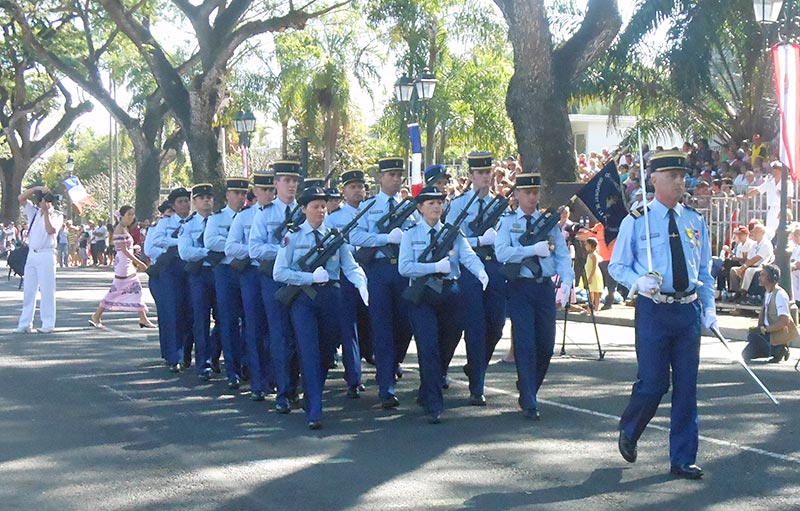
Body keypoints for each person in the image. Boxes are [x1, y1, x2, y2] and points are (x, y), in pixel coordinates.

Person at [609, 150, 716, 480]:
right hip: (654, 311)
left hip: (686, 311)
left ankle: (683, 458)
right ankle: (630, 428)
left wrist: (709, 308)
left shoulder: (694, 220)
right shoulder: (637, 220)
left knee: (687, 388)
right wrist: (637, 282)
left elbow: (704, 271)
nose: (680, 182)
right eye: (672, 176)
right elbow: (617, 265)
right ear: (654, 180)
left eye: (682, 176)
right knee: (654, 382)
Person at [274, 186, 369, 429]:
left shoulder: (335, 236)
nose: (321, 210)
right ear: (303, 209)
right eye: (315, 206)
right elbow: (279, 272)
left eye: (324, 206)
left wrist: (361, 284)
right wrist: (308, 278)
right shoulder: (292, 236)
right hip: (303, 299)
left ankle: (311, 394)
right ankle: (315, 409)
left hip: (331, 298)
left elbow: (350, 265)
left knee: (326, 353)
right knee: (308, 350)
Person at [399, 185, 488, 423]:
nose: (436, 206)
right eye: (430, 203)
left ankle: (428, 387)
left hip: (450, 294)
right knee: (428, 347)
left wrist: (481, 272)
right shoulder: (410, 235)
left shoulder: (452, 233)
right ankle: (434, 404)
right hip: (423, 296)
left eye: (439, 202)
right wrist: (433, 268)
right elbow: (404, 267)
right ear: (420, 208)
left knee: (448, 343)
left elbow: (468, 256)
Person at [496, 173, 573, 420]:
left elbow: (561, 253)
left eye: (535, 192)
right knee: (526, 344)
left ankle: (529, 386)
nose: (531, 197)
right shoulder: (508, 222)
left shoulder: (547, 223)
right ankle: (529, 397)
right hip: (521, 286)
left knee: (546, 346)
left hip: (543, 288)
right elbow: (502, 253)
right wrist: (530, 250)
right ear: (517, 194)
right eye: (526, 192)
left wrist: (568, 281)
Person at [350, 157, 418, 409]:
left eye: (399, 174)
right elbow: (355, 235)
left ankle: (391, 364)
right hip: (378, 271)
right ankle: (386, 387)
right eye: (390, 175)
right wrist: (383, 237)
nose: (396, 179)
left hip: (402, 270)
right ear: (380, 178)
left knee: (405, 324)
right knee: (382, 327)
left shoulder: (409, 208)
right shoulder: (369, 207)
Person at [444, 151, 509, 404]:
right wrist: (479, 240)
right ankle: (477, 385)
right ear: (471, 176)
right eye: (480, 172)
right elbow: (449, 241)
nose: (485, 176)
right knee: (475, 326)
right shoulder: (459, 205)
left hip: (493, 267)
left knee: (496, 325)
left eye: (488, 172)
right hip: (469, 270)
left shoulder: (500, 205)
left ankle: (475, 365)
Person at [249, 160, 304, 413]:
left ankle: (294, 387)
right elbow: (255, 248)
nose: (291, 185)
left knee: (300, 336)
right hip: (273, 280)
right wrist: (283, 250)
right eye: (286, 180)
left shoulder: (305, 211)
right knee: (280, 336)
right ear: (276, 183)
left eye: (294, 180)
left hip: (301, 280)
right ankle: (283, 392)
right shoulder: (265, 212)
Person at [226, 170, 275, 401]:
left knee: (276, 329)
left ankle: (275, 377)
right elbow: (230, 247)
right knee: (254, 327)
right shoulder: (245, 216)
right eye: (263, 190)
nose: (268, 194)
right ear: (254, 192)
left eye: (271, 190)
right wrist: (254, 250)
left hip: (276, 273)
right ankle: (257, 381)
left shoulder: (282, 213)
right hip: (252, 273)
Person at [324, 171, 371, 397]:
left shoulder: (373, 212)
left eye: (360, 186)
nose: (357, 190)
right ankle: (354, 377)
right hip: (346, 274)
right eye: (351, 187)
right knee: (348, 326)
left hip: (374, 272)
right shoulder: (333, 218)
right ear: (343, 191)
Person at [144, 187, 194, 373]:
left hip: (190, 268)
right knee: (172, 313)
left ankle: (186, 352)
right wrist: (180, 242)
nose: (185, 205)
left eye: (187, 201)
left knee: (190, 313)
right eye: (180, 202)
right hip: (171, 270)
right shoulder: (165, 223)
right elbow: (156, 241)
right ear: (173, 205)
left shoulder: (194, 221)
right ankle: (174, 356)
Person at [205, 177, 249, 389]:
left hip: (248, 269)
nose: (240, 197)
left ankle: (248, 364)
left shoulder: (252, 216)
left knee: (251, 320)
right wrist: (234, 245)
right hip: (226, 270)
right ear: (227, 196)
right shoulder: (217, 218)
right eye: (236, 193)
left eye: (243, 193)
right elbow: (211, 241)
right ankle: (233, 370)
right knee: (229, 320)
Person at [88, 206, 155, 328]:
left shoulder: (124, 229)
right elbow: (123, 250)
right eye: (129, 214)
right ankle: (96, 316)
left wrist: (134, 248)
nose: (131, 217)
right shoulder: (119, 229)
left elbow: (124, 247)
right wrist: (138, 262)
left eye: (132, 214)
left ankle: (143, 318)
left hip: (126, 262)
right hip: (124, 264)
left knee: (136, 289)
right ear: (122, 216)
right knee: (117, 289)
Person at [178, 184, 218, 379]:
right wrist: (207, 253)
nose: (206, 200)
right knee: (200, 320)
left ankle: (216, 355)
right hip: (199, 275)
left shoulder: (221, 221)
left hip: (219, 273)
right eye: (201, 197)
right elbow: (185, 252)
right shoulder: (188, 224)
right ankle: (203, 363)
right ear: (194, 201)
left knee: (226, 319)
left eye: (209, 197)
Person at [14, 187, 64, 334]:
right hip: (32, 253)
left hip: (47, 253)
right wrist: (36, 189)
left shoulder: (57, 215)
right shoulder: (34, 213)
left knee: (47, 289)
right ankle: (25, 323)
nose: (46, 202)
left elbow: (51, 231)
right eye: (44, 199)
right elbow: (21, 199)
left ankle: (48, 323)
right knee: (29, 290)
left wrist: (47, 213)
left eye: (49, 200)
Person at [742, 264, 797, 364]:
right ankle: (773, 349)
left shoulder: (780, 295)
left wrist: (765, 329)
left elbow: (784, 321)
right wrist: (759, 328)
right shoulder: (767, 293)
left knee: (754, 340)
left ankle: (779, 349)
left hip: (776, 333)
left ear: (772, 277)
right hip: (768, 331)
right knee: (747, 353)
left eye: (763, 275)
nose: (760, 277)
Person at [738, 161, 793, 240]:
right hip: (771, 210)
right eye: (773, 170)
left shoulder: (787, 183)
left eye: (777, 170)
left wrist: (789, 212)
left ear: (781, 171)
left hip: (782, 209)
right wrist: (744, 196)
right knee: (769, 233)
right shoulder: (770, 182)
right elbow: (757, 190)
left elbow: (789, 199)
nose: (774, 172)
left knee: (785, 233)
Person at [582, 237, 603, 312]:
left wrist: (590, 277)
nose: (585, 246)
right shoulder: (589, 255)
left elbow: (594, 267)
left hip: (593, 275)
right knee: (592, 292)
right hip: (590, 275)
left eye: (587, 244)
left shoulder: (594, 255)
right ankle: (591, 308)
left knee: (594, 292)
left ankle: (593, 309)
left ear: (591, 245)